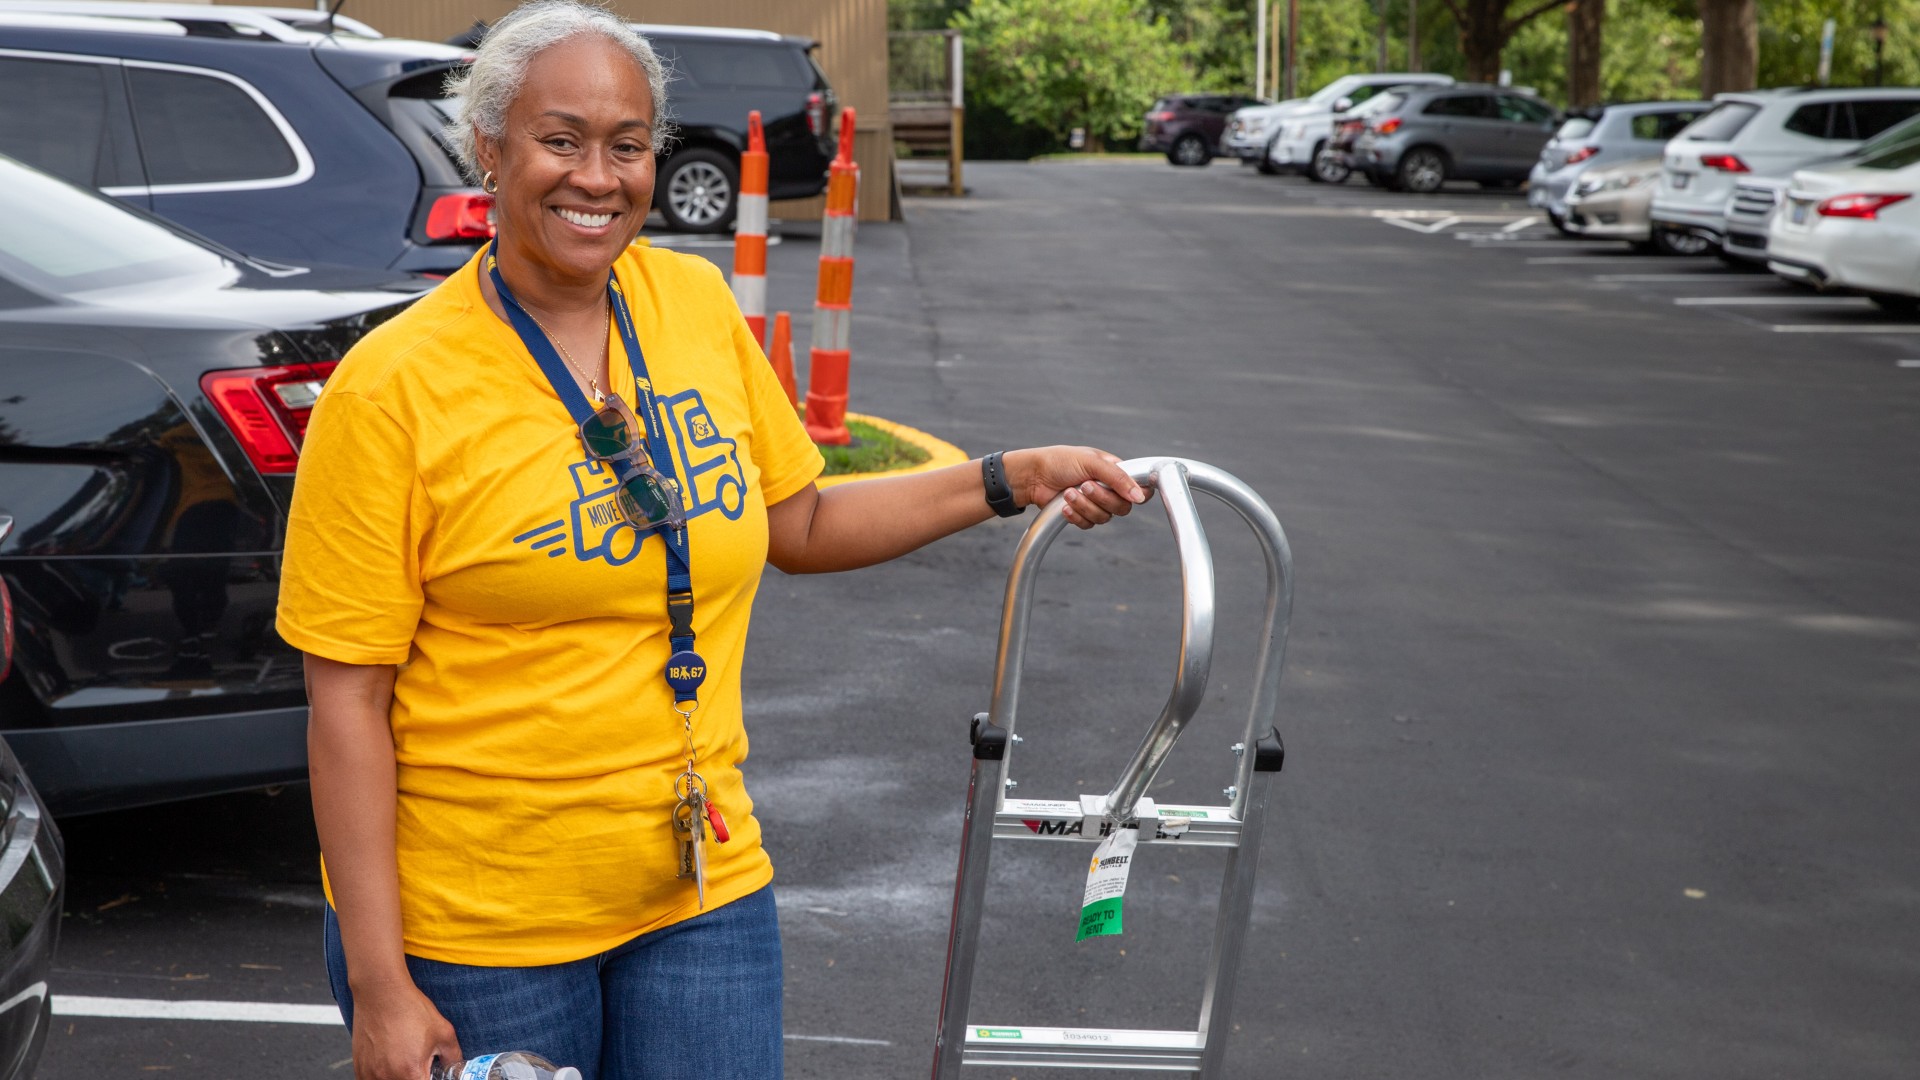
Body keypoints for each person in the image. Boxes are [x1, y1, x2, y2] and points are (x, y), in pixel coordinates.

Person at [275, 4, 1147, 1079]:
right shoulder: (394, 386)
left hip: (700, 888)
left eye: (628, 145)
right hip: (479, 928)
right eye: (560, 141)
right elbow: (346, 699)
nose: (598, 176)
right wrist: (379, 986)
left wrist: (1010, 476)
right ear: (489, 153)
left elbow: (807, 521)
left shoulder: (690, 303)